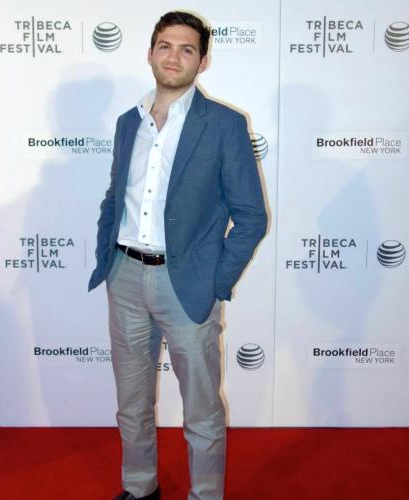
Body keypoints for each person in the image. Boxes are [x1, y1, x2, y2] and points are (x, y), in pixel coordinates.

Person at [89, 11, 267, 500]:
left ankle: (204, 495)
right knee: (131, 404)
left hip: (187, 284)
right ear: (150, 53)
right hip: (125, 276)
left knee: (202, 409)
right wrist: (108, 261)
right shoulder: (129, 122)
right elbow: (115, 197)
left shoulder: (225, 125)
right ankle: (140, 487)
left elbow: (251, 215)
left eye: (187, 49)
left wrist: (216, 280)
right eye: (165, 46)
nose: (174, 57)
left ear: (202, 61)